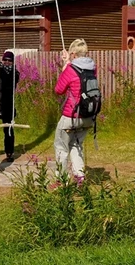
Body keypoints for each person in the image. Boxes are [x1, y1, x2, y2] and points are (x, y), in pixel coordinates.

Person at [53, 38, 96, 179]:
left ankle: (62, 181)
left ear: (74, 54)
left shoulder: (71, 69)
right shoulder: (92, 68)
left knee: (61, 147)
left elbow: (59, 90)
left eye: (71, 54)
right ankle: (80, 177)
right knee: (76, 146)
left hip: (70, 117)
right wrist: (67, 62)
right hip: (87, 117)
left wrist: (66, 66)